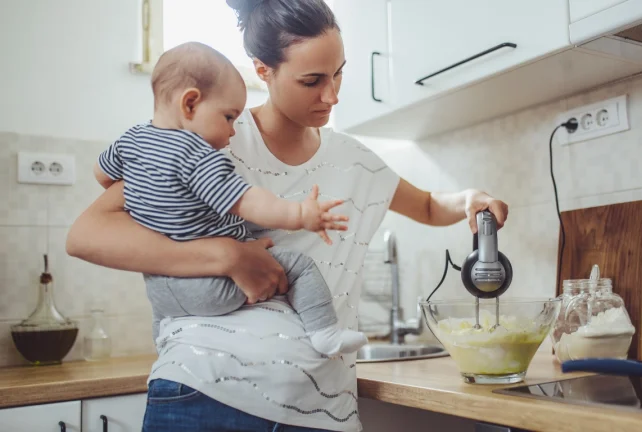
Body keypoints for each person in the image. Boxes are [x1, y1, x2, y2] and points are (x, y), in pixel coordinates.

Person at [66, 0, 510, 430]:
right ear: (263, 70)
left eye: (338, 73)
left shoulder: (354, 160)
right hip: (202, 395)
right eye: (312, 79)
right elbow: (88, 233)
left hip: (321, 409)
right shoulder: (211, 140)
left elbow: (430, 206)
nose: (332, 94)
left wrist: (468, 198)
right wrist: (226, 257)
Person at [94, 41, 367, 357]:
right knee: (299, 267)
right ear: (190, 104)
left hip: (161, 293)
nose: (234, 131)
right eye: (228, 117)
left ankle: (162, 342)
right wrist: (301, 215)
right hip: (211, 285)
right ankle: (325, 333)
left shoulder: (130, 141)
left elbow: (102, 175)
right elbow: (250, 203)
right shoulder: (199, 157)